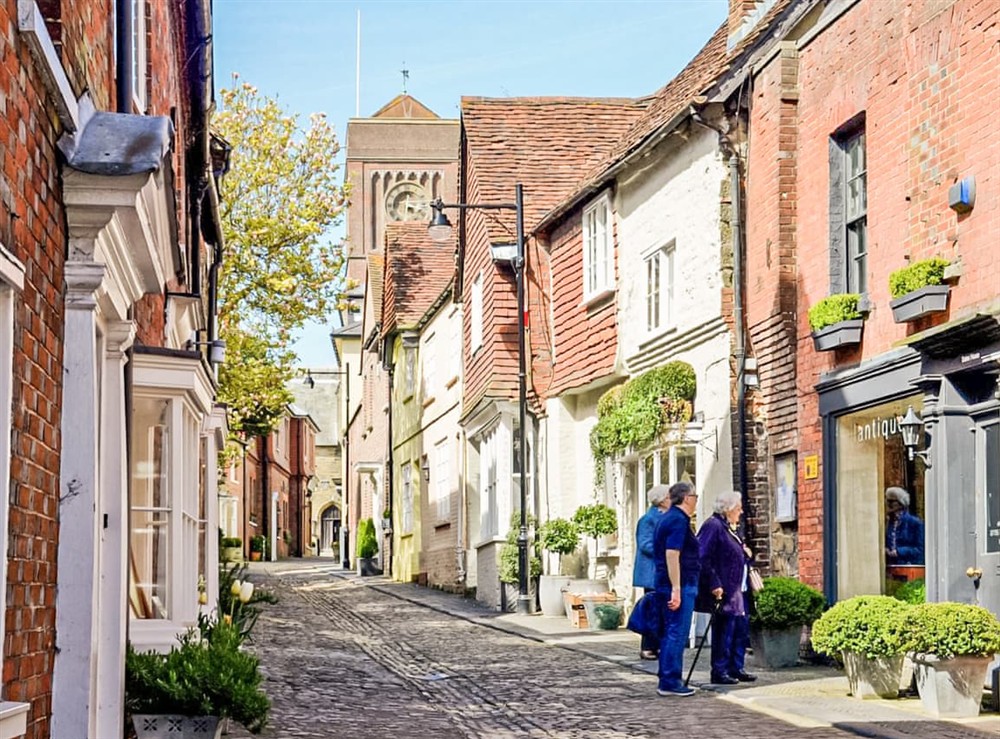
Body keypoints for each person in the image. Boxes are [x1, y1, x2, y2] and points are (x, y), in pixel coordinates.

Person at [697, 490, 757, 685]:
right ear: (728, 509)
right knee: (724, 630)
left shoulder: (730, 527)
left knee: (740, 628)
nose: (740, 512)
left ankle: (736, 667)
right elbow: (703, 557)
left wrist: (745, 554)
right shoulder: (713, 526)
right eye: (738, 509)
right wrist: (714, 583)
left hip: (739, 589)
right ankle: (720, 670)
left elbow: (736, 553)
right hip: (725, 589)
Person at [653, 481, 701, 697]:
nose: (696, 500)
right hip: (677, 584)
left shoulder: (668, 518)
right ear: (687, 498)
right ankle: (670, 681)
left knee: (670, 632)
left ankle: (667, 677)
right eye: (695, 496)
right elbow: (672, 554)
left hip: (666, 582)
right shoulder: (678, 521)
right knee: (676, 632)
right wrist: (677, 588)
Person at [633, 484, 670, 660]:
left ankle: (659, 645)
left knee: (663, 610)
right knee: (652, 610)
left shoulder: (668, 517)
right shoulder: (648, 520)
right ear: (662, 501)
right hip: (652, 573)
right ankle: (647, 647)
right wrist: (668, 550)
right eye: (670, 497)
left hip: (664, 572)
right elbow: (645, 544)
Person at [885, 487, 925, 565]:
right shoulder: (887, 522)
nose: (888, 504)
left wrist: (899, 551)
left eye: (892, 501)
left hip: (909, 568)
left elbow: (920, 550)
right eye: (887, 500)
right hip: (891, 569)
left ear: (901, 503)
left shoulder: (915, 523)